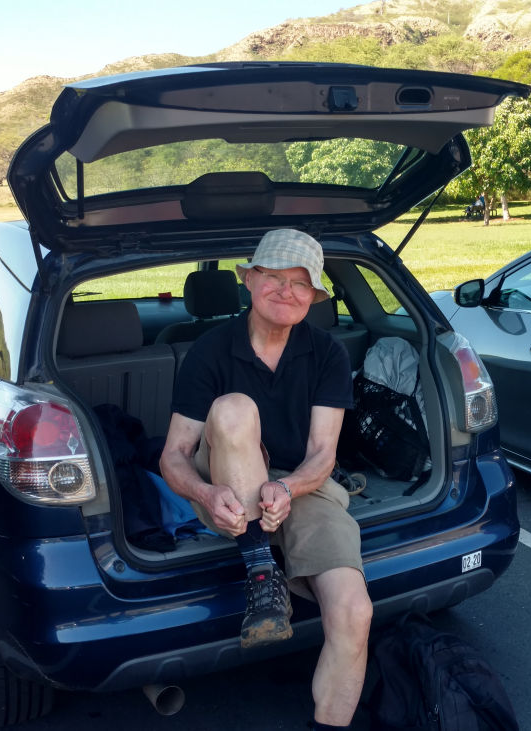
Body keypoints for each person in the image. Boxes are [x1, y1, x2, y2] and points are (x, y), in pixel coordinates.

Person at [159, 228, 372, 730]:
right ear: (249, 280)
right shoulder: (211, 350)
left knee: (354, 612)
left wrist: (290, 487)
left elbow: (323, 453)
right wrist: (206, 493)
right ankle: (261, 570)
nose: (286, 291)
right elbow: (174, 456)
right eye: (274, 277)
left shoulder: (327, 354)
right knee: (234, 409)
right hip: (226, 487)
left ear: (315, 296)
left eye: (301, 284)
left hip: (303, 486)